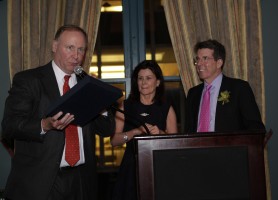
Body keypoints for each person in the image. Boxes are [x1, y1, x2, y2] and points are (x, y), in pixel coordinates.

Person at [1, 25, 115, 200]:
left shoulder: (86, 84)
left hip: (82, 180)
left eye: (81, 49)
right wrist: (43, 125)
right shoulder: (29, 80)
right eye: (70, 47)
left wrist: (100, 101)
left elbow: (106, 130)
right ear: (54, 47)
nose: (76, 56)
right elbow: (10, 126)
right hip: (42, 181)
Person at [111, 60, 178, 200]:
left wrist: (160, 133)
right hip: (131, 168)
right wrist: (135, 131)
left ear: (158, 82)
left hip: (159, 167)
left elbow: (175, 144)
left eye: (148, 78)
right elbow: (114, 141)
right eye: (140, 78)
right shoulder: (126, 106)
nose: (143, 82)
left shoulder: (166, 108)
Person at [185, 39, 265, 133]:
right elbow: (188, 130)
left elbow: (255, 128)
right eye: (198, 59)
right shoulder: (193, 93)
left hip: (229, 147)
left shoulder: (239, 88)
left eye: (205, 58)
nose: (199, 64)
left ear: (219, 63)